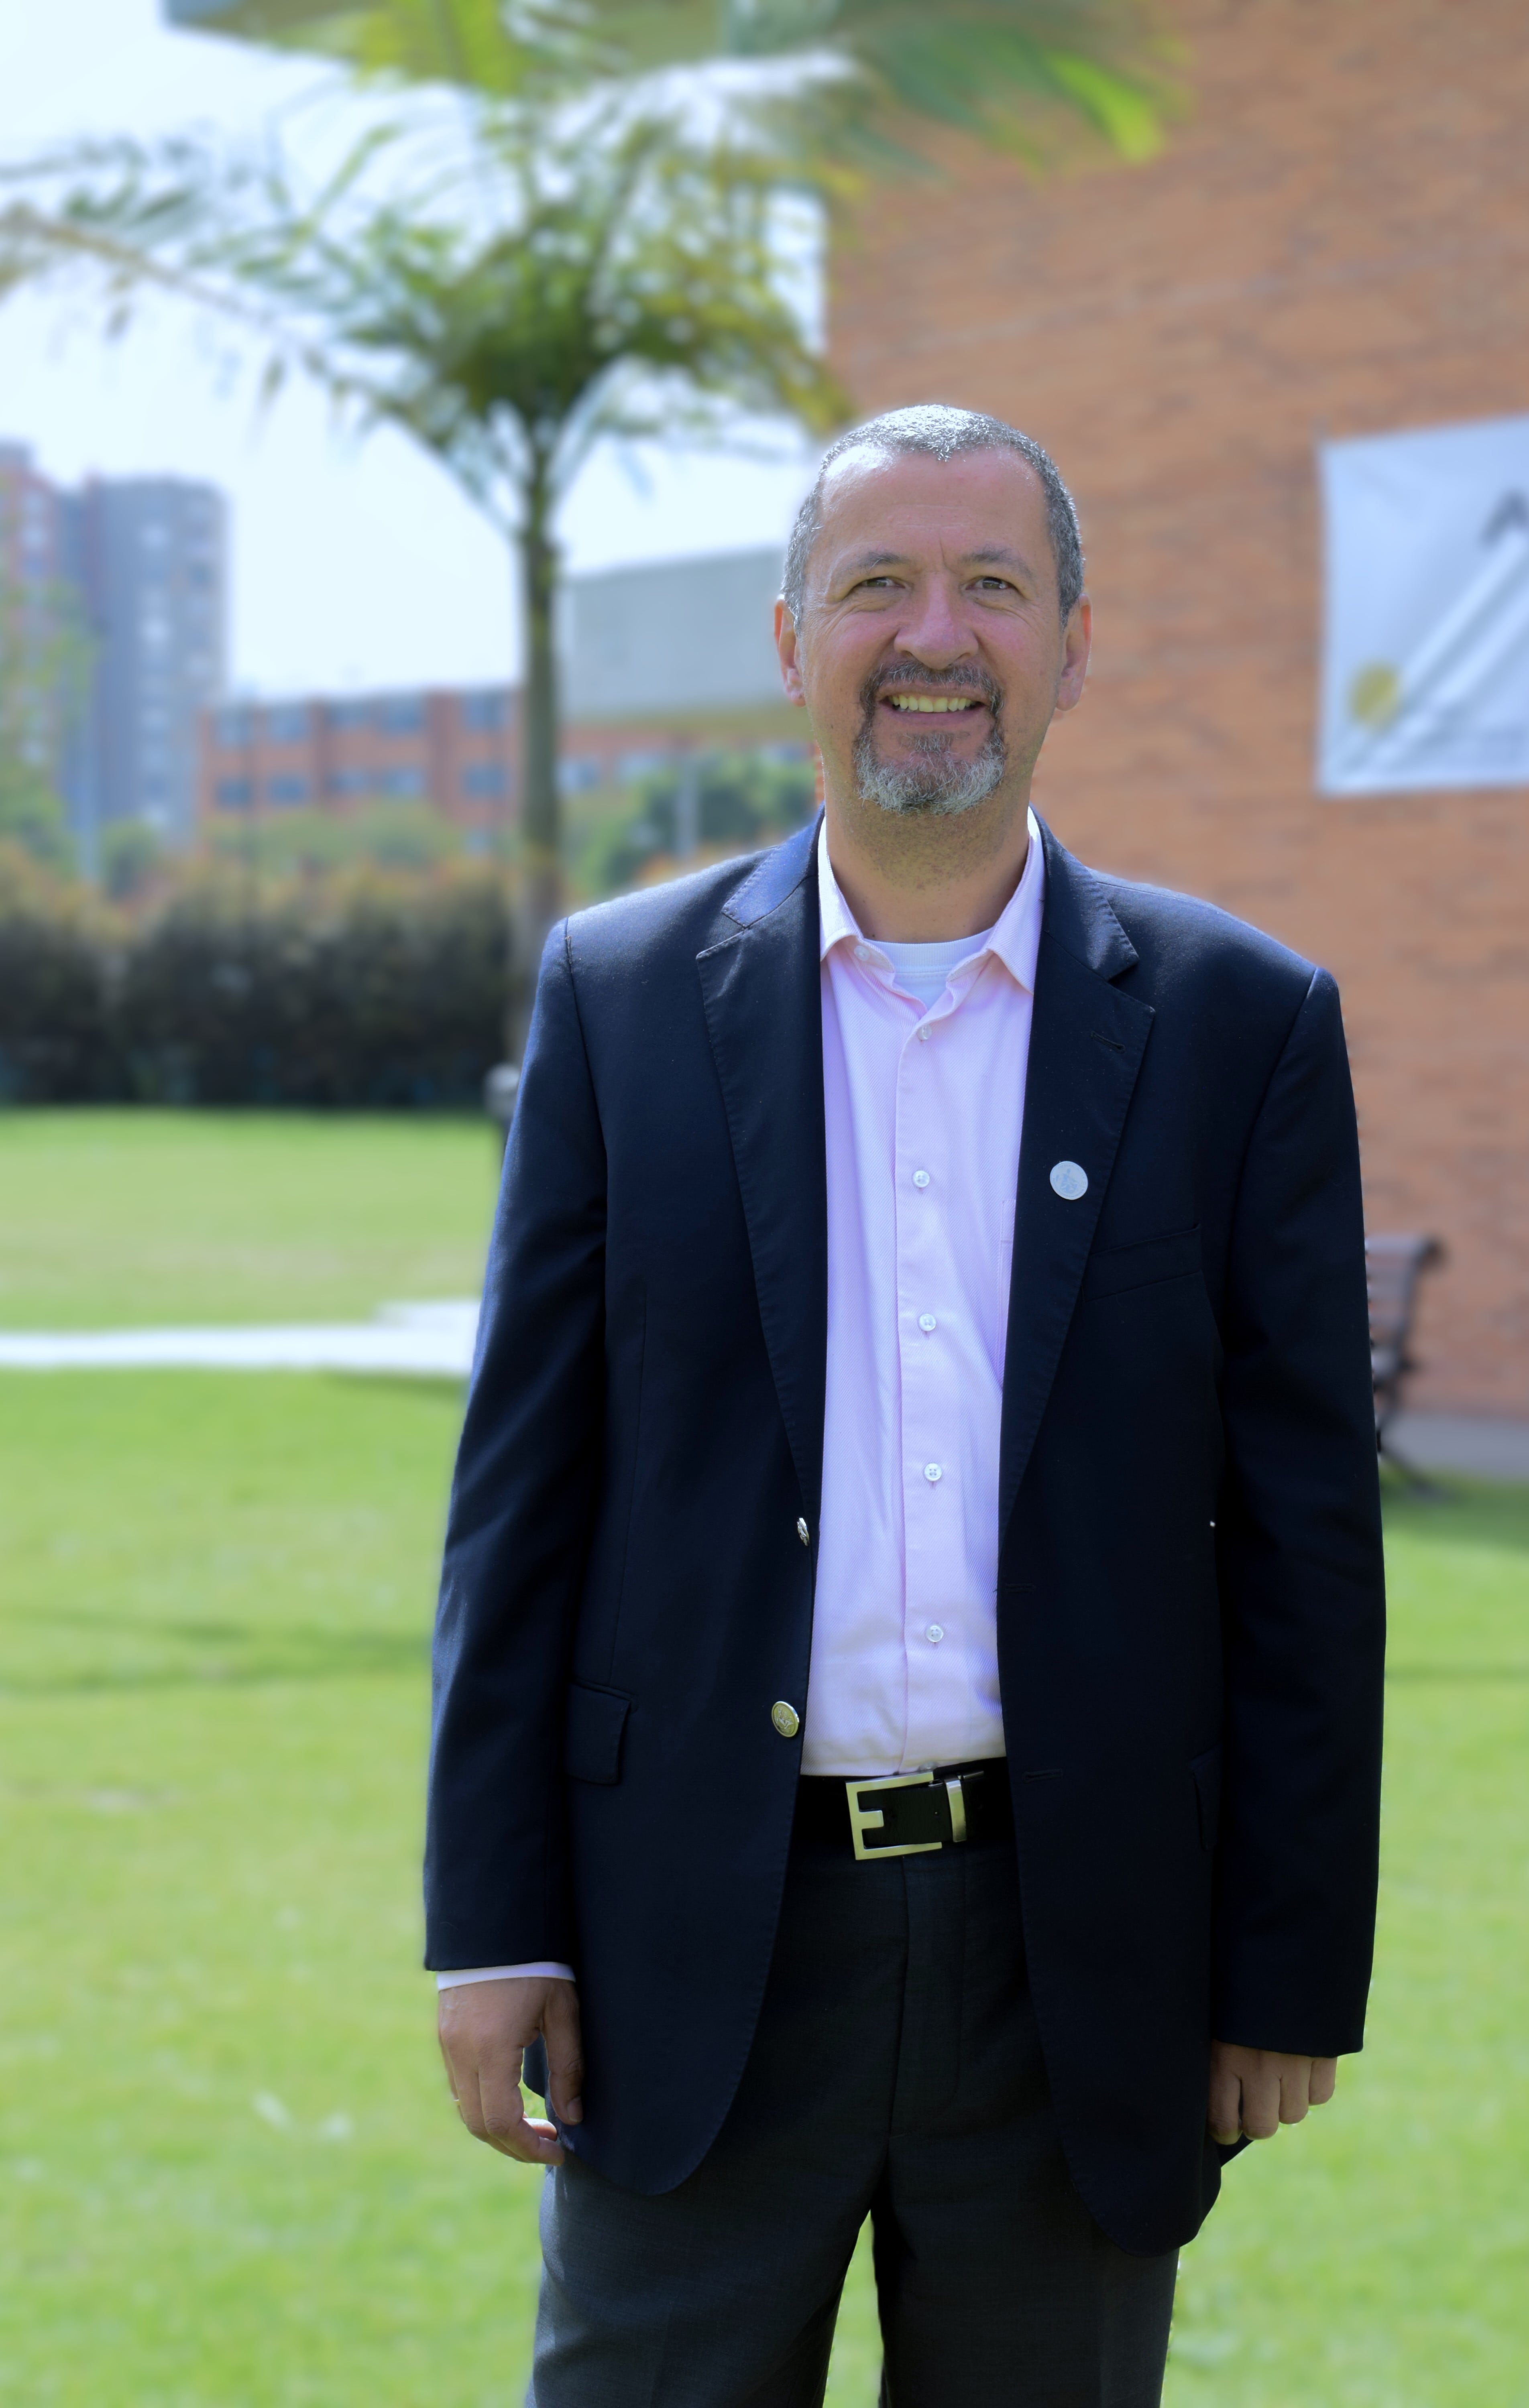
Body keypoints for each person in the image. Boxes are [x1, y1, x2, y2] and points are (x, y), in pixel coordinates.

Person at [426, 404, 1386, 2407]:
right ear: (793, 642)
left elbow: (1306, 1542)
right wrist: (491, 1924)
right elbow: (522, 1499)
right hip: (688, 1947)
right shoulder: (619, 999)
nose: (932, 635)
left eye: (990, 587)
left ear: (1072, 645)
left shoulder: (1241, 1025)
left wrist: (1286, 1965)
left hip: (1082, 1967)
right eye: (876, 584)